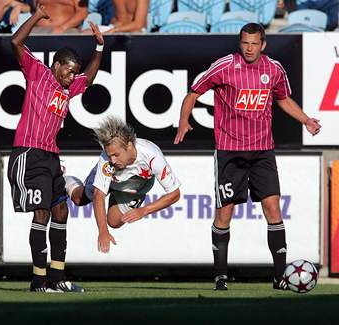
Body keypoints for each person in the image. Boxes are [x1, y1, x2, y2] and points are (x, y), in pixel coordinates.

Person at [174, 23, 321, 291]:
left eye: (254, 43)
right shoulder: (225, 66)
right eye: (245, 43)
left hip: (263, 150)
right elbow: (194, 91)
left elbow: (283, 98)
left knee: (273, 209)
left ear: (263, 44)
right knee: (224, 213)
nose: (249, 48)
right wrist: (183, 120)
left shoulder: (273, 69)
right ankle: (220, 275)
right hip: (230, 151)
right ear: (240, 43)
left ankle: (280, 278)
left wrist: (306, 120)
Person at [7, 3, 104, 292]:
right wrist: (36, 16)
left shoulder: (67, 87)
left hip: (51, 156)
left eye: (73, 72)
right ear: (57, 65)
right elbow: (15, 41)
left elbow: (89, 78)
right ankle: (38, 281)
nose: (71, 76)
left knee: (61, 211)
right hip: (28, 152)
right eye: (68, 71)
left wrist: (98, 48)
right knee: (42, 214)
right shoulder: (38, 73)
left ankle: (58, 277)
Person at [65, 116, 181, 253]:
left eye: (116, 154)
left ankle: (120, 197)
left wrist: (143, 211)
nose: (112, 160)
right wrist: (103, 232)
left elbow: (175, 194)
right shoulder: (107, 159)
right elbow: (99, 195)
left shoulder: (152, 156)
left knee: (114, 222)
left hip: (134, 188)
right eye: (109, 155)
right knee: (79, 199)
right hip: (111, 181)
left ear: (129, 145)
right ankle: (64, 178)